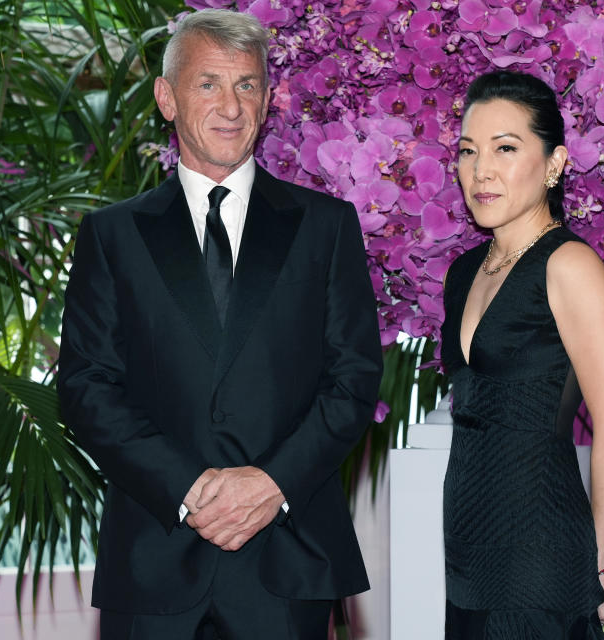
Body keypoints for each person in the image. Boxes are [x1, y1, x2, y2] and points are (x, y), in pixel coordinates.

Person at [57, 9, 382, 639]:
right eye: (208, 84)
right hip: (154, 560)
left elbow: (354, 380)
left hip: (288, 560)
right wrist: (188, 490)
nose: (231, 105)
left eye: (247, 85)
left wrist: (271, 483)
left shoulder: (326, 226)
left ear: (267, 99)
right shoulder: (112, 236)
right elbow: (87, 386)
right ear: (166, 97)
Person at [439, 70, 604, 639]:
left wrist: (596, 566)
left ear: (554, 164)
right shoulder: (462, 274)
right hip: (467, 548)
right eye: (468, 151)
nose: (482, 171)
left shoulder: (569, 266)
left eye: (506, 149)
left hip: (542, 552)